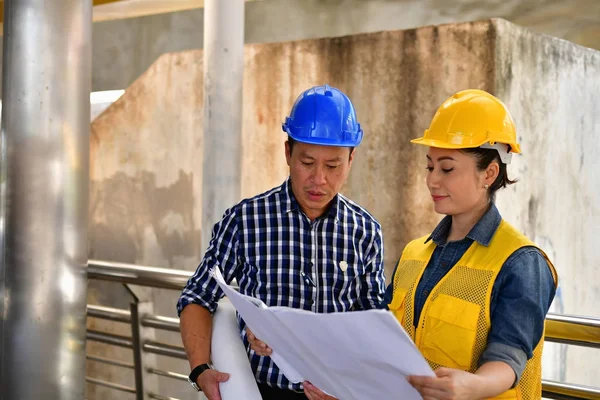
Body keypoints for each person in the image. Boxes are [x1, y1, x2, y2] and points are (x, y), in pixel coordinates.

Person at [177, 84, 386, 400]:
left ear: (351, 159)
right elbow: (197, 295)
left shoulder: (365, 231)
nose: (319, 179)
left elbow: (373, 322)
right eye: (307, 162)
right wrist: (199, 369)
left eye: (333, 166)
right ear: (288, 153)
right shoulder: (245, 221)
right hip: (261, 391)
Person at [381, 89, 558, 400]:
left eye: (447, 168)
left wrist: (472, 386)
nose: (432, 180)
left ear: (488, 173)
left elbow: (509, 356)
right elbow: (383, 340)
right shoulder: (413, 254)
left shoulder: (520, 262)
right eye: (430, 166)